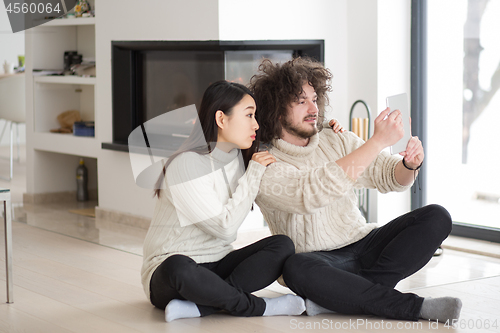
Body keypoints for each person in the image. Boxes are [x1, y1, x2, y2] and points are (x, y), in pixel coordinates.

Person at [249, 57, 462, 323]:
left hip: (363, 243)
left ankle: (342, 298)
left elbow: (388, 175)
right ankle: (413, 307)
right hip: (318, 261)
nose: (313, 107)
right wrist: (376, 141)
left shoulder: (334, 138)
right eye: (301, 101)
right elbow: (309, 194)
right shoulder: (263, 162)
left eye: (315, 98)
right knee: (295, 267)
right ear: (277, 110)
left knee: (436, 216)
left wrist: (409, 164)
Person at [140, 80, 305, 322]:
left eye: (256, 116)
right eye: (249, 115)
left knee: (282, 246)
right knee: (179, 267)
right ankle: (259, 307)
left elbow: (288, 143)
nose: (256, 124)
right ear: (221, 119)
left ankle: (203, 306)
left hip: (218, 263)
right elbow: (225, 229)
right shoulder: (186, 163)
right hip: (171, 271)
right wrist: (254, 174)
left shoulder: (239, 156)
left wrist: (329, 132)